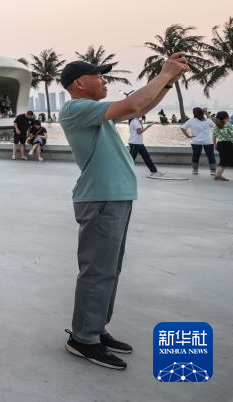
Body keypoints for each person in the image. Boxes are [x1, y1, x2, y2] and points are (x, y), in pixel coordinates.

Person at [58, 53, 189, 370]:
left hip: (113, 198)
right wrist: (164, 74)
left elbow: (138, 109)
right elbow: (132, 104)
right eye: (98, 76)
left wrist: (167, 82)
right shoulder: (75, 108)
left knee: (109, 270)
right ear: (79, 83)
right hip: (101, 199)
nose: (104, 80)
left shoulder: (94, 113)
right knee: (98, 270)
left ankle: (96, 329)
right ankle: (83, 338)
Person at [181, 107, 217, 176]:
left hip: (196, 141)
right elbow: (215, 126)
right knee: (211, 156)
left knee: (195, 155)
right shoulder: (208, 120)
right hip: (208, 141)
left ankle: (195, 170)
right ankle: (213, 171)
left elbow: (183, 128)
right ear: (202, 112)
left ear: (194, 113)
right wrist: (207, 114)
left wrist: (188, 136)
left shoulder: (191, 121)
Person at [213, 111, 232, 181]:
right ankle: (218, 175)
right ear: (226, 118)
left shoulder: (216, 126)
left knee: (223, 159)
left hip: (220, 144)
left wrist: (215, 145)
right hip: (228, 144)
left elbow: (214, 136)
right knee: (223, 161)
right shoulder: (228, 125)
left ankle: (218, 175)